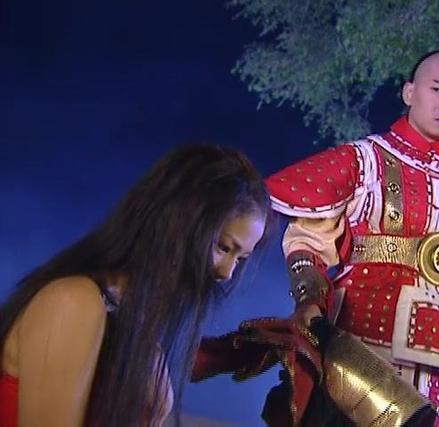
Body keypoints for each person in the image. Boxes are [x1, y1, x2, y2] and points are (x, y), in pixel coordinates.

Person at [264, 50, 439, 427]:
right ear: (409, 92)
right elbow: (308, 239)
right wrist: (309, 304)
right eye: (438, 89)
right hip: (356, 349)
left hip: (437, 366)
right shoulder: (365, 160)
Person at [0, 144, 271, 427]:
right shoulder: (72, 303)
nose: (227, 273)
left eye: (240, 259)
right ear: (177, 222)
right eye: (223, 247)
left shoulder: (136, 325)